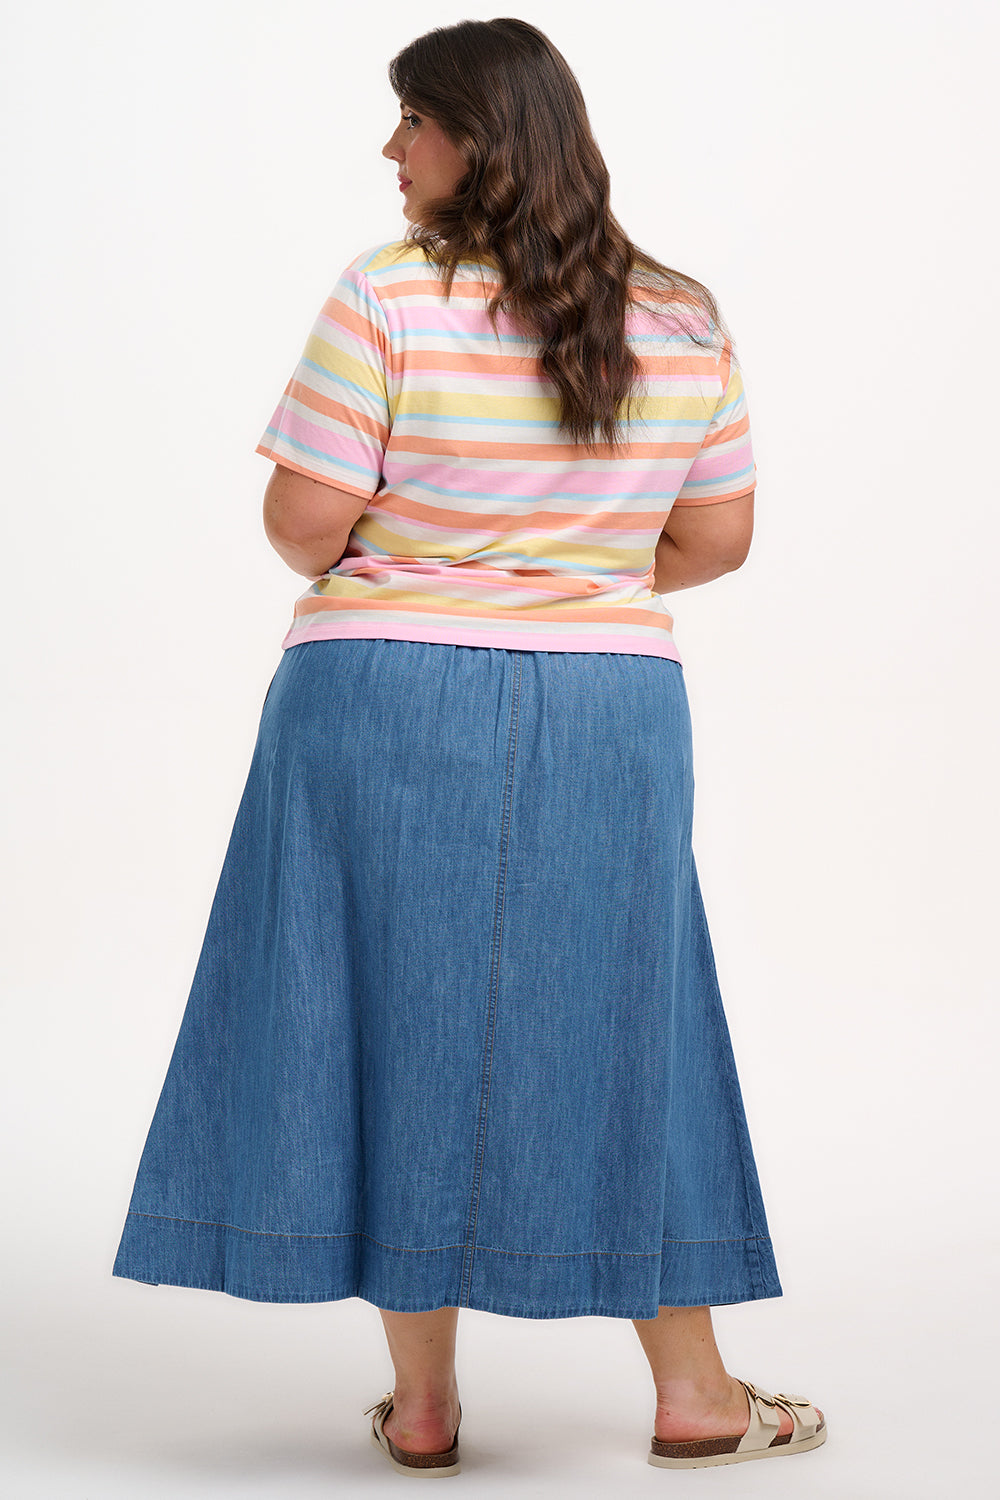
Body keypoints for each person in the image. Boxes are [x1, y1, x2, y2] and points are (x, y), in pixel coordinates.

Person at [112, 16, 826, 1477]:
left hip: (378, 691)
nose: (392, 152)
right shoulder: (682, 315)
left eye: (410, 125)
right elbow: (718, 539)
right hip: (609, 710)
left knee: (391, 1011)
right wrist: (572, 570)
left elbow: (305, 527)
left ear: (478, 138)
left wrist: (437, 555)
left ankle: (426, 1409)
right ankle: (693, 1391)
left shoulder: (384, 297)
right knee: (637, 1016)